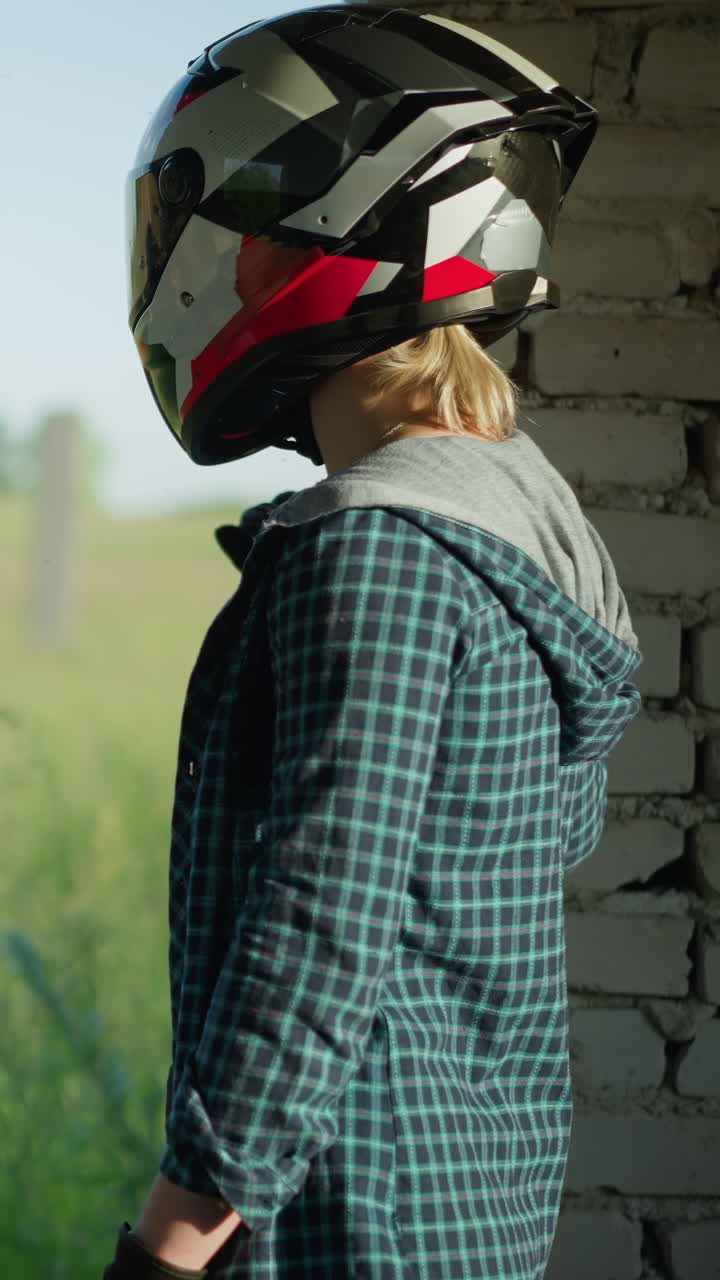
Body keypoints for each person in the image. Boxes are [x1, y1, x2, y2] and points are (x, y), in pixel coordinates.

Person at [106, 6, 643, 1277]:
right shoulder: (522, 533)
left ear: (342, 237)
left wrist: (178, 1231)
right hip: (471, 1192)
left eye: (221, 226)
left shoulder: (378, 549)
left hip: (348, 1208)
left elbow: (318, 916)